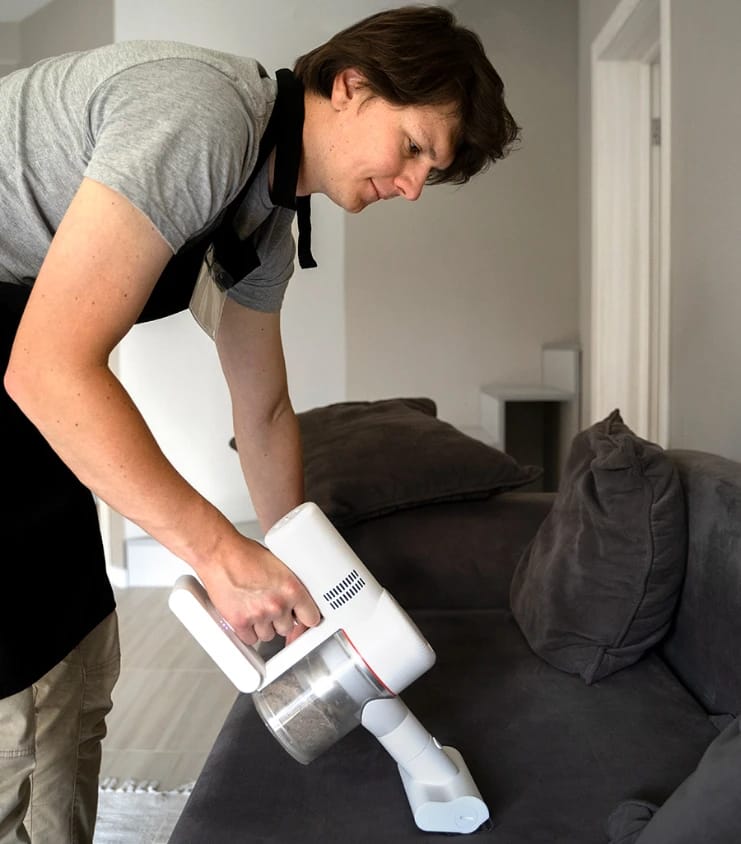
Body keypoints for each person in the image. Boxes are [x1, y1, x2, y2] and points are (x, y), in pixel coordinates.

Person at [0, 5, 519, 842]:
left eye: (433, 169)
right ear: (351, 87)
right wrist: (220, 552)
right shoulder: (203, 116)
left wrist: (301, 573)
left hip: (17, 352)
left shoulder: (265, 215)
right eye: (415, 147)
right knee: (17, 699)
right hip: (23, 361)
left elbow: (265, 409)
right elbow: (50, 369)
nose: (415, 185)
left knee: (74, 652)